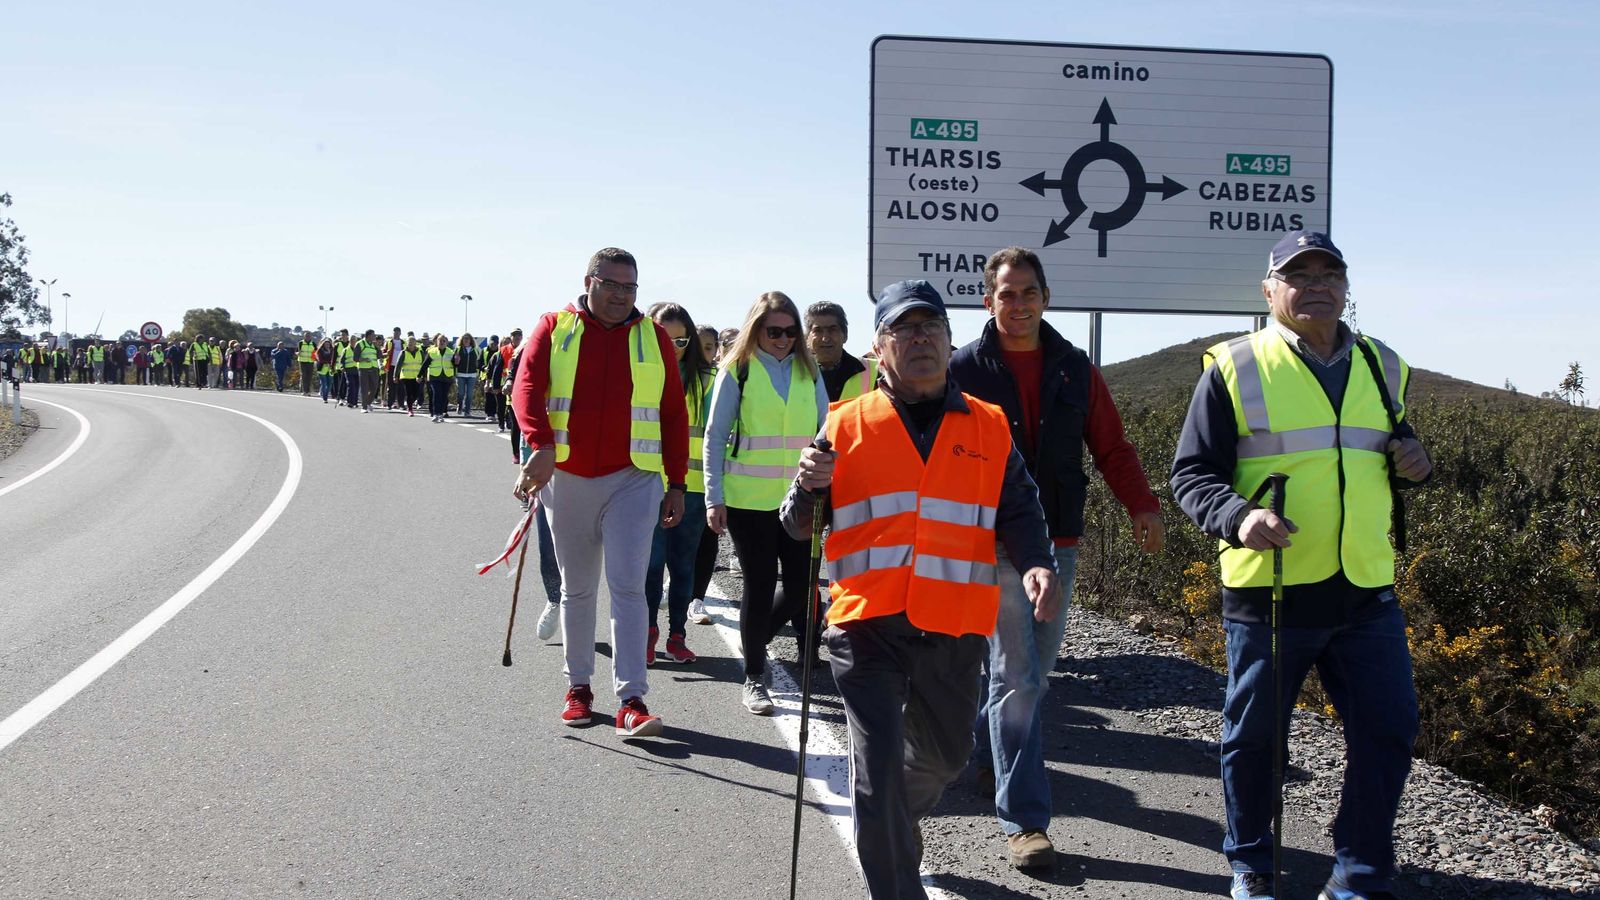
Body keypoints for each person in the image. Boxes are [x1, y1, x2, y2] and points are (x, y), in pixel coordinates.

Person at [1169, 231, 1430, 900]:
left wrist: (1416, 461)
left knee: (1388, 730)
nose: (1316, 286)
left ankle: (1359, 873)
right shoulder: (1235, 366)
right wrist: (1239, 517)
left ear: (1346, 287)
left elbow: (1391, 448)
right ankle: (1252, 863)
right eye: (1298, 275)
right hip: (1271, 590)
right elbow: (1191, 475)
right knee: (1257, 739)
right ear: (1269, 291)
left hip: (1366, 588)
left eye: (1328, 274)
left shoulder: (1383, 364)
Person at [780, 279, 1059, 900]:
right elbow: (798, 524)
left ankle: (894, 822)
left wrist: (1036, 563)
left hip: (953, 623)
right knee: (878, 771)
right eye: (903, 330)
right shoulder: (844, 423)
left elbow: (1019, 506)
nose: (920, 339)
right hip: (865, 622)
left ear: (950, 340)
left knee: (945, 759)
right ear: (879, 349)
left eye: (930, 326)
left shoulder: (988, 425)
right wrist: (806, 485)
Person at [948, 246, 1166, 868]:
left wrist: (1142, 503)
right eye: (1007, 294)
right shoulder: (963, 369)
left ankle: (989, 756)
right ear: (988, 301)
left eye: (1029, 292)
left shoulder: (1074, 369)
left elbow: (1111, 445)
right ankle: (1025, 820)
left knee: (1032, 676)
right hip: (989, 541)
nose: (1018, 304)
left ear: (1046, 297)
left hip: (1059, 542)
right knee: (1015, 675)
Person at [511, 247, 689, 739]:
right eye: (611, 284)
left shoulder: (652, 336)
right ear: (588, 281)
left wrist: (677, 483)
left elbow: (673, 412)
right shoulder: (554, 327)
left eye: (630, 287)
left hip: (634, 478)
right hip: (568, 478)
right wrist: (541, 445)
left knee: (629, 586)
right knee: (578, 588)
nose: (620, 295)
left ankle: (632, 699)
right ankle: (579, 688)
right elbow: (526, 389)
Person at [703, 291, 830, 715]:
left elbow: (826, 429)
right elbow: (714, 437)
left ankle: (753, 640)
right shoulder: (737, 369)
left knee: (800, 587)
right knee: (758, 586)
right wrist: (713, 497)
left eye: (791, 332)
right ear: (756, 329)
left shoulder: (808, 370)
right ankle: (754, 676)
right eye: (774, 331)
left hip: (800, 500)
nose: (783, 339)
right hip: (748, 500)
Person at [641, 302, 713, 666]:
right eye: (664, 339)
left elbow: (717, 438)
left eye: (681, 341)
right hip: (646, 485)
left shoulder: (708, 381)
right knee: (651, 567)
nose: (673, 348)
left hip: (694, 489)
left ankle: (677, 635)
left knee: (682, 567)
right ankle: (648, 632)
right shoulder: (640, 376)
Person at [806, 300, 878, 402]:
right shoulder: (792, 373)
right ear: (807, 337)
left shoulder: (874, 371)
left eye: (832, 330)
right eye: (818, 330)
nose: (825, 338)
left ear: (845, 335)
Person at [426, 333, 455, 422]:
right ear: (436, 342)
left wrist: (457, 361)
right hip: (434, 377)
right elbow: (425, 364)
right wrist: (419, 376)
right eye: (440, 340)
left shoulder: (451, 352)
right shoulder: (431, 352)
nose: (442, 342)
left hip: (447, 377)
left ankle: (441, 414)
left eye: (443, 341)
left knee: (443, 396)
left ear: (446, 342)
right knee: (436, 394)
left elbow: (455, 365)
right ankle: (436, 414)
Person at [395, 336, 424, 416]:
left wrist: (424, 375)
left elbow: (424, 365)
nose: (410, 343)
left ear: (415, 343)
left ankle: (410, 404)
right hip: (406, 376)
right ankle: (410, 409)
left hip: (417, 377)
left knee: (416, 393)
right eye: (409, 342)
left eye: (412, 341)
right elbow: (398, 365)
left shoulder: (420, 352)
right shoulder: (403, 353)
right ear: (407, 343)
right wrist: (395, 376)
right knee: (409, 393)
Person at [454, 332, 479, 417]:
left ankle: (467, 411)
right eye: (464, 338)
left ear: (471, 340)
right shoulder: (458, 349)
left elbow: (478, 362)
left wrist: (478, 371)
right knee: (461, 393)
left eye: (468, 338)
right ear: (461, 340)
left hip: (472, 375)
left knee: (469, 394)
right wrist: (456, 361)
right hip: (460, 374)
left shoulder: (475, 350)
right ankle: (460, 405)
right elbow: (453, 362)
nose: (466, 340)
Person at [315, 337, 336, 403]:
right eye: (326, 344)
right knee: (324, 384)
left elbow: (334, 359)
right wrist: (328, 362)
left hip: (330, 369)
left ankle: (325, 394)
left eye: (328, 344)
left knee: (329, 384)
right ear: (323, 344)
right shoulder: (320, 350)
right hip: (322, 369)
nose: (327, 345)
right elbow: (320, 359)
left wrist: (332, 364)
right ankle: (325, 398)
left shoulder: (333, 350)